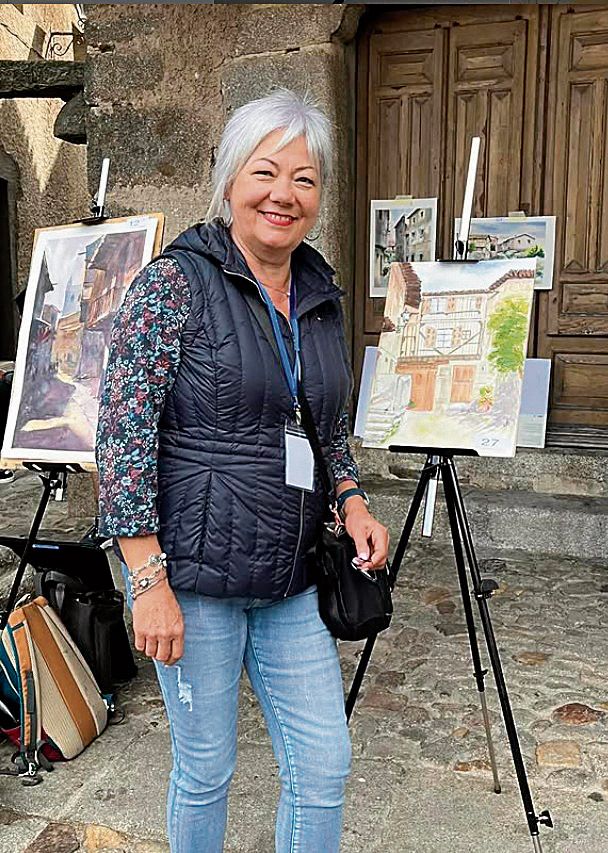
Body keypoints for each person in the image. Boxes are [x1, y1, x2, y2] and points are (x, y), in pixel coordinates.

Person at [96, 88, 389, 853]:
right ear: (229, 180)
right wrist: (147, 579)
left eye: (305, 179)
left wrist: (352, 499)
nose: (283, 195)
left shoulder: (321, 296)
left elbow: (324, 430)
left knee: (325, 763)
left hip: (291, 575)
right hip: (195, 578)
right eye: (266, 171)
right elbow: (121, 438)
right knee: (205, 768)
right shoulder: (174, 285)